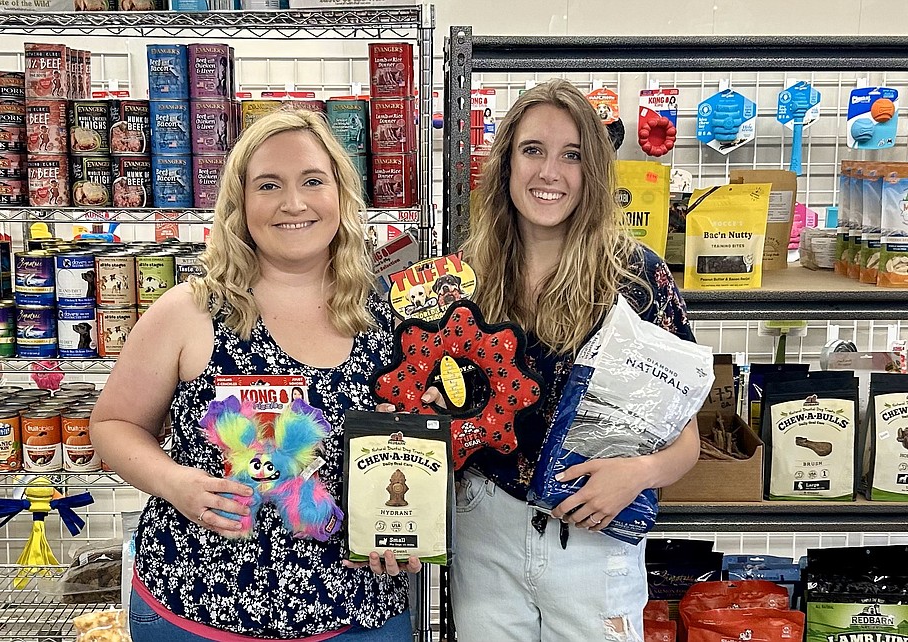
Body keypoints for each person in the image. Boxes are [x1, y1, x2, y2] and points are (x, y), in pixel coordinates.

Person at [90, 109, 420, 642]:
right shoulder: (190, 311)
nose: (294, 203)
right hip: (197, 611)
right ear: (240, 205)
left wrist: (400, 526)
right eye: (269, 185)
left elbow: (416, 453)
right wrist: (178, 484)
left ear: (341, 193)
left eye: (313, 181)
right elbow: (113, 425)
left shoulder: (391, 320)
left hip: (357, 617)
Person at [451, 79, 701, 641]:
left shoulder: (637, 278)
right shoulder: (464, 279)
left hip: (596, 532)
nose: (549, 173)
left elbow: (686, 438)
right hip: (485, 533)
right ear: (505, 161)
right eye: (532, 150)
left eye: (572, 155)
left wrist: (639, 474)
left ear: (593, 172)